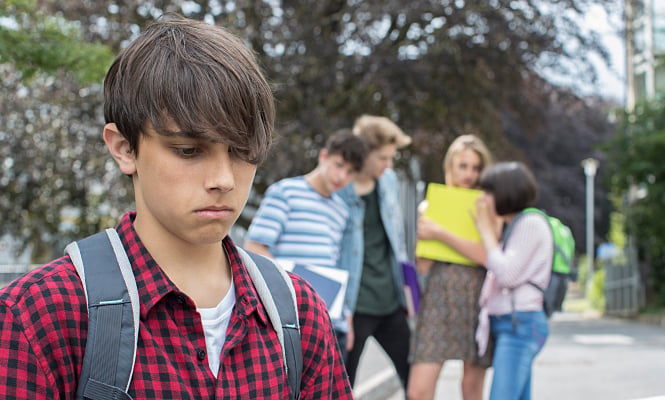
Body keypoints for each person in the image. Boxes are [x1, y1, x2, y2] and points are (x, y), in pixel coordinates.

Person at [0, 15, 352, 399]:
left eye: (242, 151)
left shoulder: (299, 314)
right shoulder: (39, 316)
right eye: (188, 150)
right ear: (123, 147)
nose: (224, 178)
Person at [244, 128, 369, 361]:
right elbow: (254, 247)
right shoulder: (285, 192)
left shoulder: (342, 211)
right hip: (291, 321)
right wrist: (297, 284)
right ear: (323, 156)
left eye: (350, 172)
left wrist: (347, 316)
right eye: (338, 164)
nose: (341, 176)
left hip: (331, 324)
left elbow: (336, 267)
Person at [407, 134, 493, 400]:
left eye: (475, 167)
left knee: (471, 388)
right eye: (463, 166)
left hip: (477, 296)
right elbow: (422, 265)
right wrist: (424, 236)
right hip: (439, 296)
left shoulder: (486, 204)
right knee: (418, 390)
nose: (469, 173)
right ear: (451, 167)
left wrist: (441, 234)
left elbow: (486, 256)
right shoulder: (432, 204)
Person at [338, 114, 412, 393]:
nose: (389, 165)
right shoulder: (340, 188)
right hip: (355, 306)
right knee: (343, 385)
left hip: (391, 302)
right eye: (383, 157)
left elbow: (398, 244)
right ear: (364, 153)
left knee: (414, 378)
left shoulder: (389, 182)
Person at [473, 161, 552, 400]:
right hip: (514, 323)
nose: (484, 199)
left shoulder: (530, 224)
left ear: (505, 193)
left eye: (489, 192)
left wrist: (486, 233)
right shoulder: (517, 225)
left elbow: (507, 275)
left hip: (520, 323)